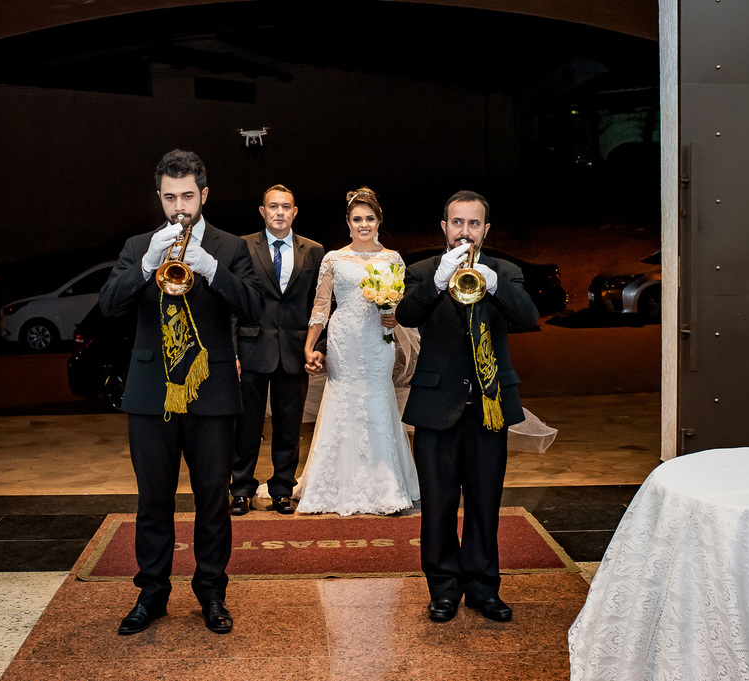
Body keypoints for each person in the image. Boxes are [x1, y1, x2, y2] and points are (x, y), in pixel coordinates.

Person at [99, 149, 262, 637]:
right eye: (170, 197)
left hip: (210, 391)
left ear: (204, 195)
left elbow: (254, 307)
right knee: (153, 500)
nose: (179, 207)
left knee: (213, 499)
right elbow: (108, 306)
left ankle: (212, 592)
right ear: (159, 197)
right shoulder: (138, 245)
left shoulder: (229, 247)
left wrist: (211, 269)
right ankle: (152, 594)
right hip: (151, 392)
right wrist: (146, 265)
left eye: (187, 196)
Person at [396, 190, 539, 624]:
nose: (465, 232)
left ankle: (482, 588)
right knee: (438, 505)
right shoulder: (422, 271)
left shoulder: (506, 272)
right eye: (457, 223)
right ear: (444, 227)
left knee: (484, 502)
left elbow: (529, 318)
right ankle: (442, 589)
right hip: (436, 405)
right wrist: (438, 281)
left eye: (473, 224)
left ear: (486, 230)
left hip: (488, 405)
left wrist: (493, 285)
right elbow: (404, 314)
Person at [297, 187, 420, 515]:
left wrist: (393, 315)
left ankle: (386, 486)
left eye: (369, 218)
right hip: (343, 340)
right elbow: (322, 305)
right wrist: (310, 345)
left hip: (378, 340)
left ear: (379, 220)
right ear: (348, 222)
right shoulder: (334, 258)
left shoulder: (392, 259)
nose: (363, 224)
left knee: (378, 400)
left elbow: (399, 306)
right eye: (357, 219)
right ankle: (333, 485)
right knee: (342, 402)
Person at [231, 185, 324, 517]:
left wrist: (318, 347)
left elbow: (321, 303)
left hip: (295, 351)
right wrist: (233, 353)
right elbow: (232, 303)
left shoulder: (313, 251)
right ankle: (241, 488)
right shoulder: (241, 247)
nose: (280, 212)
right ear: (262, 211)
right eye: (273, 207)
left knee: (289, 425)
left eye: (286, 206)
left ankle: (283, 489)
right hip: (252, 348)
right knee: (246, 425)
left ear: (295, 212)